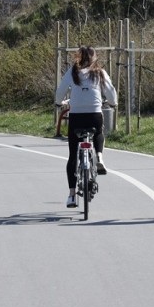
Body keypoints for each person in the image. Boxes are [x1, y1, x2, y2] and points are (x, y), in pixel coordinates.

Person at [55, 46, 117, 208]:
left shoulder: (73, 72)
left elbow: (61, 90)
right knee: (98, 132)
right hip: (94, 115)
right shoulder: (100, 72)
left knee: (72, 156)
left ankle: (71, 195)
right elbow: (110, 91)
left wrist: (58, 103)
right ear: (94, 58)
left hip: (76, 117)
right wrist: (113, 103)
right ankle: (99, 157)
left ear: (78, 57)